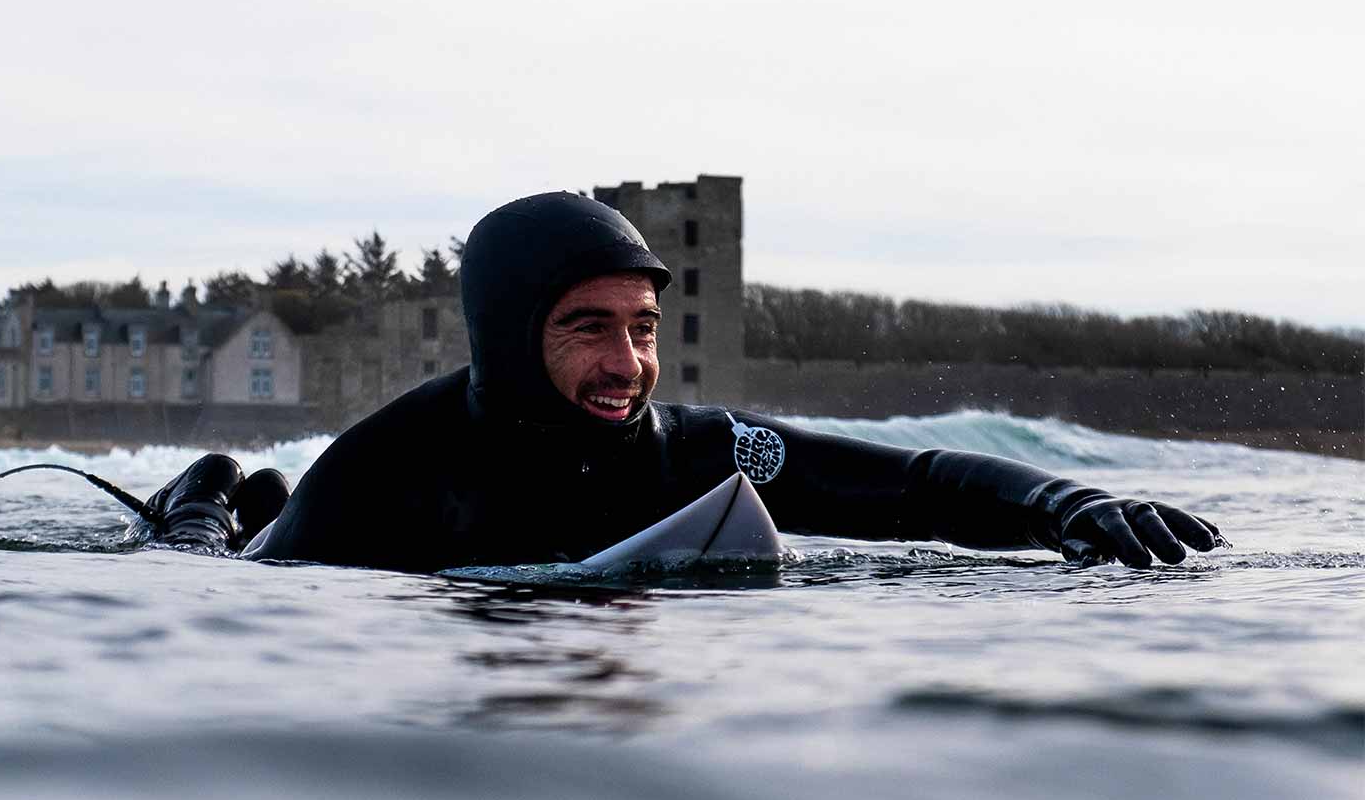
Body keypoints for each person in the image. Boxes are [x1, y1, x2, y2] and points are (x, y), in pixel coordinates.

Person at [151, 192, 1224, 571]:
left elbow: (917, 487)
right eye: (587, 329)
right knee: (217, 542)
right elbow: (242, 612)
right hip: (258, 546)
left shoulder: (701, 455)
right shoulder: (384, 472)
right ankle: (206, 497)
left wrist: (1065, 501)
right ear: (510, 337)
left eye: (644, 328)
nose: (628, 367)